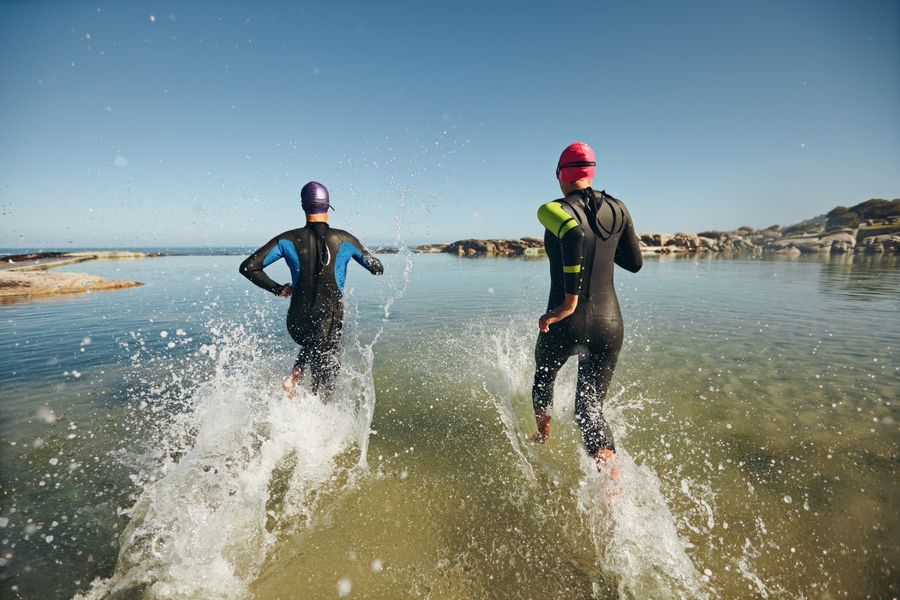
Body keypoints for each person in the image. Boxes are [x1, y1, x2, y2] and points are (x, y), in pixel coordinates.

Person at [531, 141, 642, 474]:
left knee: (543, 377)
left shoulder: (552, 209)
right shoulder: (619, 208)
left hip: (565, 321)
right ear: (591, 173)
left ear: (560, 175)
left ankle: (541, 437)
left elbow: (575, 236)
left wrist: (569, 302)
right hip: (609, 322)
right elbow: (634, 262)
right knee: (589, 409)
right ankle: (612, 480)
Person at [239, 181, 383, 398]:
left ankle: (295, 376)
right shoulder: (344, 239)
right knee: (325, 385)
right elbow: (377, 268)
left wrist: (278, 289)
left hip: (297, 321)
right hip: (329, 322)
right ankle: (308, 398)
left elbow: (248, 267)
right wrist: (361, 249)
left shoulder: (286, 239)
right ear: (327, 206)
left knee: (313, 342)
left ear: (303, 206)